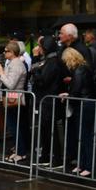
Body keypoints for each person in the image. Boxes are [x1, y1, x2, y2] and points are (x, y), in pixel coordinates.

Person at [59, 47, 96, 177]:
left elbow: (76, 90)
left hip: (83, 105)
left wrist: (68, 95)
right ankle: (83, 164)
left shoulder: (78, 70)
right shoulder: (83, 68)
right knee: (83, 136)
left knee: (84, 137)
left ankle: (87, 166)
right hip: (86, 104)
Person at [30, 36, 64, 166]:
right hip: (44, 100)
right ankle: (46, 155)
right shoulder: (48, 61)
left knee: (51, 130)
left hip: (49, 101)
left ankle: (56, 158)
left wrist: (36, 71)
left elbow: (43, 80)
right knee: (44, 129)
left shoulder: (53, 62)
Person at [0, 41, 28, 163]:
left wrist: (1, 73)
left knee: (15, 126)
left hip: (15, 97)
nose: (4, 53)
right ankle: (19, 151)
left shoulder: (16, 64)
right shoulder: (13, 63)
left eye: (6, 51)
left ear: (12, 52)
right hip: (13, 97)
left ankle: (21, 152)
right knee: (14, 126)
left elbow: (10, 84)